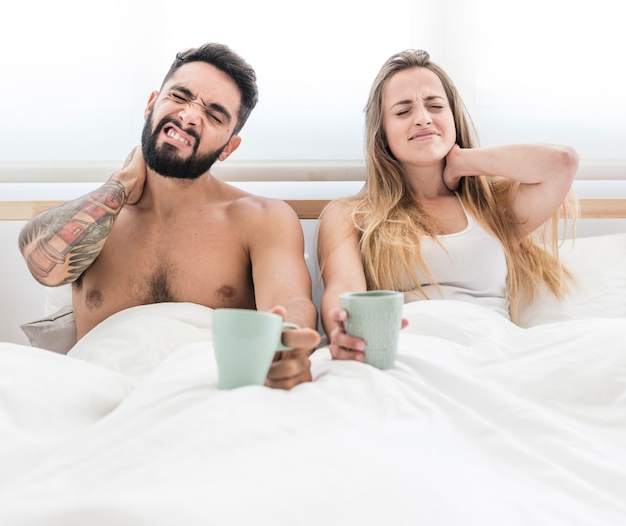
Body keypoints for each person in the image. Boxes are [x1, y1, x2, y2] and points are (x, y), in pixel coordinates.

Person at [19, 42, 320, 389]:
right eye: (179, 96)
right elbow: (41, 262)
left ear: (228, 147)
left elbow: (290, 302)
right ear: (151, 105)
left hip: (205, 395)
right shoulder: (96, 218)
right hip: (94, 394)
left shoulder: (262, 218)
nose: (190, 115)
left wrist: (286, 343)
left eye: (214, 114)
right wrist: (121, 183)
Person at [317, 49, 579, 362]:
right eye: (402, 112)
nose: (423, 118)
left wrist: (462, 161)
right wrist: (340, 328)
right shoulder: (351, 214)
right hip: (409, 352)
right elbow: (344, 290)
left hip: (494, 353)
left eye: (435, 106)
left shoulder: (491, 207)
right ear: (382, 134)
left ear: (454, 116)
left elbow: (561, 163)